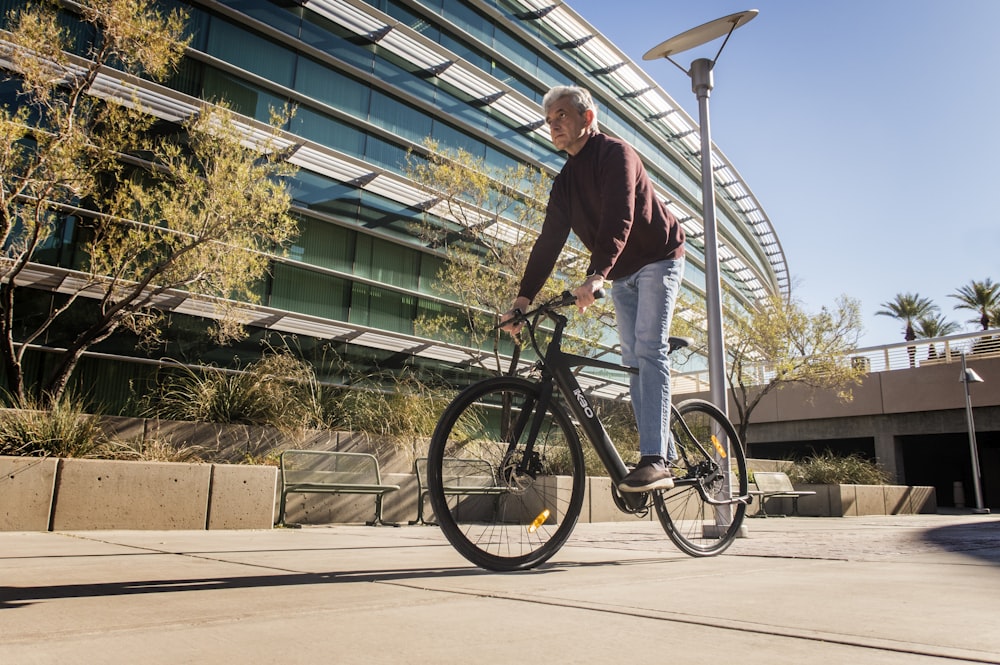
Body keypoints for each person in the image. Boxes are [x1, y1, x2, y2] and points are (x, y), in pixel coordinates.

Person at [501, 85, 685, 493]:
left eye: (562, 116)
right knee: (631, 359)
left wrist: (596, 273)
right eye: (549, 121)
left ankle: (655, 460)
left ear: (587, 118)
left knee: (648, 347)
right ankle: (665, 454)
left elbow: (620, 215)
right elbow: (548, 241)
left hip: (659, 257)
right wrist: (522, 300)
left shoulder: (616, 154)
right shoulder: (564, 183)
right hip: (620, 272)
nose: (554, 126)